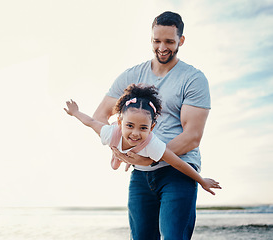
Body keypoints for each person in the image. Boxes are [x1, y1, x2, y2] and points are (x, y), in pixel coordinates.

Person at [92, 11, 213, 240]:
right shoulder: (131, 75)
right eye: (157, 41)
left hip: (179, 170)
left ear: (181, 41)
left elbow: (192, 137)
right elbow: (99, 116)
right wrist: (121, 149)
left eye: (169, 41)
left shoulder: (193, 79)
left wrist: (149, 157)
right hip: (141, 175)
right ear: (151, 39)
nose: (162, 47)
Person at [64, 84, 220, 198]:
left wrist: (202, 180)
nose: (135, 133)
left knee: (132, 151)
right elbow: (91, 122)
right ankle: (118, 155)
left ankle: (123, 155)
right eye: (130, 126)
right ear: (120, 122)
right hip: (117, 142)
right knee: (115, 161)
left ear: (151, 127)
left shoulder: (152, 144)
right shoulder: (110, 132)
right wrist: (75, 112)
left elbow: (177, 162)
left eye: (143, 128)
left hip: (140, 153)